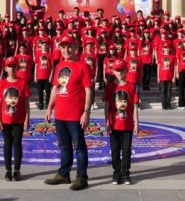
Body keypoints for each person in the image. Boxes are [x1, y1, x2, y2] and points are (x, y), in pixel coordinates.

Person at [44, 35, 93, 191]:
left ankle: (81, 177)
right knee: (64, 146)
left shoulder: (82, 66)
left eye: (69, 46)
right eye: (63, 47)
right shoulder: (59, 66)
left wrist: (86, 111)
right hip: (60, 113)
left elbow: (88, 90)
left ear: (75, 48)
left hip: (75, 114)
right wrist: (50, 107)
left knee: (79, 147)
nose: (66, 49)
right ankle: (64, 174)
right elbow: (55, 88)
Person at [104, 60, 139, 185]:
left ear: (126, 71)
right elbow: (107, 106)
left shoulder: (131, 86)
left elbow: (135, 106)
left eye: (122, 70)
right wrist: (107, 122)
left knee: (126, 150)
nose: (120, 73)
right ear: (113, 71)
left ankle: (126, 174)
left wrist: (136, 123)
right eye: (117, 70)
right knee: (114, 150)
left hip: (127, 125)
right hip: (114, 125)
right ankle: (116, 173)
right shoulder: (110, 87)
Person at [0, 57, 30, 182]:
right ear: (5, 68)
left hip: (19, 120)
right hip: (5, 120)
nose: (12, 68)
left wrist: (27, 119)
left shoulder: (23, 82)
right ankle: (8, 170)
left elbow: (26, 103)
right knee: (7, 144)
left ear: (18, 68)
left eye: (14, 66)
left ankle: (17, 170)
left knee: (17, 144)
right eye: (9, 66)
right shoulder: (2, 83)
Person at [34, 40, 53, 110]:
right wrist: (35, 75)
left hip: (47, 76)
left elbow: (52, 66)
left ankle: (48, 104)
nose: (44, 46)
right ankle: (41, 104)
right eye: (43, 45)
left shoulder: (50, 54)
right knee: (40, 91)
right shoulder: (38, 54)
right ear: (41, 46)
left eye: (45, 45)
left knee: (48, 92)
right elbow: (36, 65)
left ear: (47, 46)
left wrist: (51, 75)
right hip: (40, 76)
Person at [156, 44, 175, 110]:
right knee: (163, 91)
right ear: (163, 49)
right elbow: (158, 67)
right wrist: (158, 77)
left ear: (169, 49)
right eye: (165, 48)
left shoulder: (173, 57)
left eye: (168, 48)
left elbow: (174, 67)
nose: (166, 49)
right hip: (162, 77)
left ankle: (168, 105)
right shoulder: (160, 56)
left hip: (170, 77)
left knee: (169, 91)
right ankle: (164, 105)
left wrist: (174, 77)